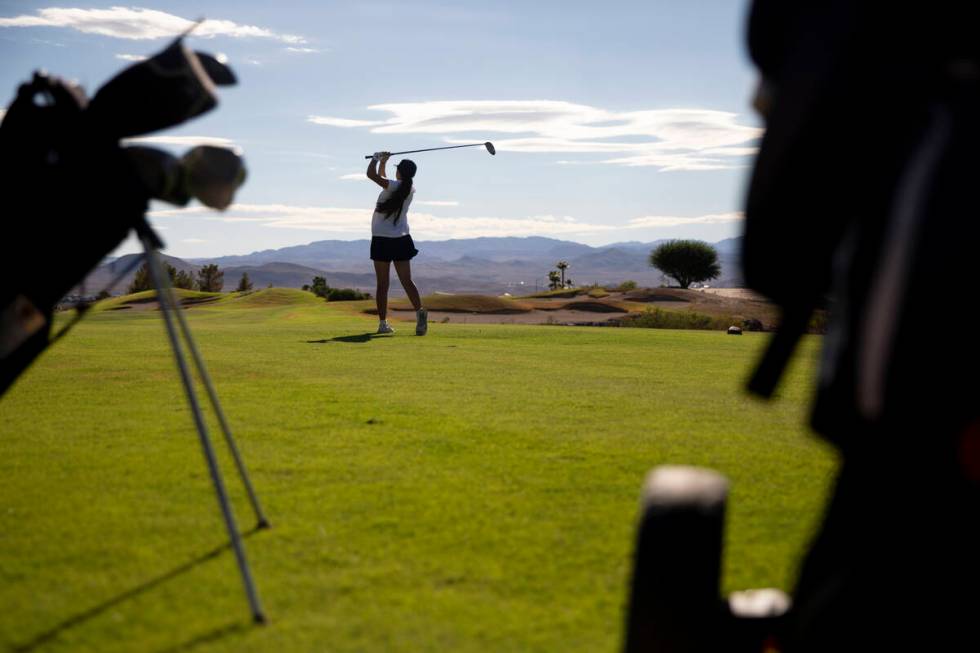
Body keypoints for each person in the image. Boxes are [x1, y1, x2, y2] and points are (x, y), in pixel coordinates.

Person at [366, 151, 427, 335]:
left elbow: (371, 175)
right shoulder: (409, 188)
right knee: (407, 281)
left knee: (382, 284)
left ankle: (383, 324)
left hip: (382, 240)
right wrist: (384, 162)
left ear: (399, 172)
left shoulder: (394, 186)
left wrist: (376, 159)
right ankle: (420, 312)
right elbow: (384, 180)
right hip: (401, 239)